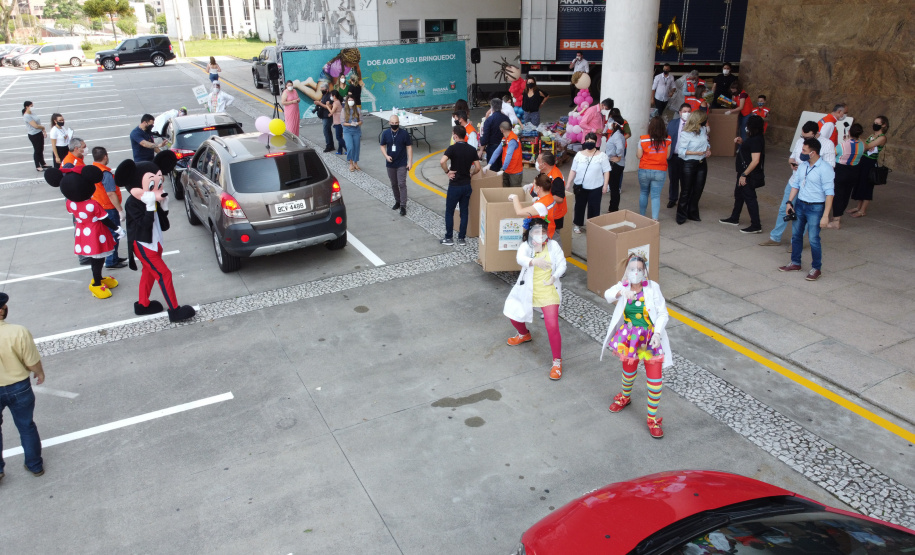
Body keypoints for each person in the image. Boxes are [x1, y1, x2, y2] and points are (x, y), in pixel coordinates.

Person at [601, 255, 672, 439]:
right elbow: (607, 294)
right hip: (629, 340)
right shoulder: (622, 286)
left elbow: (663, 313)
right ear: (626, 271)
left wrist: (657, 333)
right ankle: (625, 397)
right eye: (632, 269)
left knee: (655, 382)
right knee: (628, 372)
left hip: (651, 340)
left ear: (645, 271)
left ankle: (652, 419)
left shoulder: (653, 287)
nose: (636, 272)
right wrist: (620, 293)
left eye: (639, 269)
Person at [502, 217, 567, 380]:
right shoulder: (525, 247)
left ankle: (557, 362)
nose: (540, 235)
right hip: (527, 290)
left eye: (543, 231)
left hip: (548, 290)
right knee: (513, 313)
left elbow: (562, 263)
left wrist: (555, 276)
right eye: (537, 232)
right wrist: (533, 261)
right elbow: (520, 258)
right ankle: (523, 334)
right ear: (530, 233)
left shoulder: (554, 246)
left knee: (552, 326)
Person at [0, 292, 46, 479]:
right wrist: (40, 372)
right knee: (26, 426)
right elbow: (31, 362)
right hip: (19, 387)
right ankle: (35, 465)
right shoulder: (18, 331)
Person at [779, 138, 834, 282]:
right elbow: (796, 184)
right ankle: (795, 262)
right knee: (796, 235)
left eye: (804, 150)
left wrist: (825, 215)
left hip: (816, 207)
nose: (801, 153)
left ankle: (816, 268)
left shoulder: (825, 169)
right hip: (800, 205)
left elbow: (829, 193)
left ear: (813, 152)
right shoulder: (803, 166)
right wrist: (789, 202)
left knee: (814, 239)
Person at [759, 121, 817, 248]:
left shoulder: (824, 145)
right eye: (803, 136)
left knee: (802, 214)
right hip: (794, 181)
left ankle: (796, 242)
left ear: (815, 134)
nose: (803, 139)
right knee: (784, 209)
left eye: (806, 137)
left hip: (809, 186)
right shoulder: (799, 142)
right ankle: (775, 237)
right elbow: (792, 157)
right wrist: (792, 162)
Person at [720, 115, 766, 233]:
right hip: (743, 172)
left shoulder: (756, 140)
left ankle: (756, 225)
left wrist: (744, 175)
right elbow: (749, 150)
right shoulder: (754, 138)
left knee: (750, 198)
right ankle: (734, 218)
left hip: (747, 175)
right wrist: (742, 142)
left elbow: (755, 160)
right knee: (739, 195)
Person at [439, 125, 481, 245]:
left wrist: (447, 172)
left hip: (455, 185)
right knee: (464, 212)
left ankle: (448, 238)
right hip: (466, 185)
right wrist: (471, 174)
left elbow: (442, 161)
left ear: (455, 135)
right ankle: (461, 238)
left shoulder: (452, 148)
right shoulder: (472, 149)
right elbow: (478, 167)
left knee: (449, 211)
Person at [91, 147, 128, 269]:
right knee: (115, 233)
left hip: (99, 206)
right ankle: (112, 260)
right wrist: (120, 210)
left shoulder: (93, 169)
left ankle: (114, 257)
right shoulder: (105, 173)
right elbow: (111, 193)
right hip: (109, 208)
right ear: (105, 156)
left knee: (109, 233)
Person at [568, 132, 610, 233]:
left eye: (592, 141)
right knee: (579, 206)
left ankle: (593, 226)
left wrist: (605, 185)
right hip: (580, 187)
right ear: (584, 142)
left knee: (594, 207)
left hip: (596, 187)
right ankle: (577, 224)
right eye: (587, 141)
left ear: (596, 142)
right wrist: (568, 182)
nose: (589, 143)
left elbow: (606, 171)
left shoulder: (602, 156)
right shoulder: (579, 155)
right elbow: (573, 170)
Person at [849, 116, 889, 219]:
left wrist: (857, 137)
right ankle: (858, 207)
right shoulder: (872, 135)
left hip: (870, 163)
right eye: (874, 122)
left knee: (867, 185)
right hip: (863, 160)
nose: (874, 124)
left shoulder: (882, 137)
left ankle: (863, 210)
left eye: (877, 123)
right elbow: (865, 147)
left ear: (883, 125)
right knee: (860, 183)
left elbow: (866, 146)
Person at [675, 110, 711, 224]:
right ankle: (681, 214)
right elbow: (681, 151)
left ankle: (693, 212)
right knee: (686, 190)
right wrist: (696, 153)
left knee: (698, 189)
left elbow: (705, 142)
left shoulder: (703, 130)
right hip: (689, 164)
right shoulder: (686, 133)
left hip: (701, 163)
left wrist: (708, 149)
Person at [828, 123, 865, 229]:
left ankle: (836, 220)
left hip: (841, 170)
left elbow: (833, 154)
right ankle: (839, 214)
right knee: (846, 194)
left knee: (838, 194)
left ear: (849, 132)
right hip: (854, 171)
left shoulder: (842, 145)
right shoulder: (862, 145)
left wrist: (845, 141)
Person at [637, 117, 671, 220]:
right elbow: (667, 156)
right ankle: (654, 219)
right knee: (655, 196)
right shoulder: (668, 139)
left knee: (644, 192)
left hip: (644, 169)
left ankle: (642, 216)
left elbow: (639, 156)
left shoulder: (643, 139)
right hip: (660, 171)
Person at [379, 114, 412, 216]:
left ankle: (403, 205)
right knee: (394, 184)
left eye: (396, 123)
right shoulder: (385, 134)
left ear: (399, 123)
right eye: (392, 123)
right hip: (390, 163)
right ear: (389, 123)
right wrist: (386, 156)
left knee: (401, 183)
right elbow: (382, 146)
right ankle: (397, 201)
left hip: (402, 163)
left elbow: (409, 147)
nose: (394, 125)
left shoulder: (404, 134)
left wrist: (410, 162)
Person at [666, 103, 691, 208]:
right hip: (674, 156)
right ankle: (673, 198)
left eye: (689, 112)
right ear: (680, 112)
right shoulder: (673, 123)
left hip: (687, 157)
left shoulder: (694, 126)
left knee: (686, 179)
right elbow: (666, 138)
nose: (687, 114)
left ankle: (684, 200)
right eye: (685, 111)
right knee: (673, 179)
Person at [602, 114, 626, 213]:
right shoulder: (616, 134)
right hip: (614, 163)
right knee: (614, 187)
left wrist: (619, 157)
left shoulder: (617, 135)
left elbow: (620, 147)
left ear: (615, 124)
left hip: (615, 164)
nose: (609, 124)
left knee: (614, 188)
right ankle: (613, 207)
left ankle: (613, 208)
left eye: (611, 122)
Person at [487, 121, 523, 188]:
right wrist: (490, 164)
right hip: (507, 170)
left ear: (502, 130)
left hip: (514, 172)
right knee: (506, 192)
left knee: (514, 193)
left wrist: (503, 169)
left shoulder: (512, 140)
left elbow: (509, 155)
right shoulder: (505, 139)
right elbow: (497, 151)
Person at [480, 98, 510, 172]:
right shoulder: (506, 118)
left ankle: (495, 183)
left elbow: (485, 137)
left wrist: (481, 146)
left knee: (492, 169)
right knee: (502, 167)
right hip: (504, 146)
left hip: (492, 147)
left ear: (491, 107)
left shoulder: (489, 120)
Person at [23, 101, 48, 172]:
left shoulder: (32, 113)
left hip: (39, 133)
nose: (32, 107)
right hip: (34, 135)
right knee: (37, 150)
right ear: (26, 107)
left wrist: (43, 131)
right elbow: (35, 126)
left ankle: (43, 163)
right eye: (31, 106)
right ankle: (37, 165)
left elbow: (38, 123)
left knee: (41, 149)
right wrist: (43, 127)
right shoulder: (27, 116)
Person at [342, 96, 363, 173]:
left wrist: (357, 123)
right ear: (347, 101)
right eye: (349, 100)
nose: (351, 101)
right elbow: (342, 123)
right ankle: (350, 163)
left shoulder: (357, 110)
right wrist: (351, 124)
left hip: (356, 131)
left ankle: (355, 163)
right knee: (350, 147)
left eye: (352, 100)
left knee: (357, 147)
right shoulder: (343, 110)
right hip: (347, 131)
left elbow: (361, 121)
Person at [315, 81, 335, 152]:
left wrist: (319, 103)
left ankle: (329, 145)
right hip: (324, 115)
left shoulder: (330, 96)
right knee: (327, 131)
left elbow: (328, 107)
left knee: (326, 131)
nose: (321, 90)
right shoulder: (324, 96)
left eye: (322, 89)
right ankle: (331, 145)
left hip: (328, 116)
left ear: (326, 89)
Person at [330, 90, 345, 156]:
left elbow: (332, 112)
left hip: (338, 122)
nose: (330, 97)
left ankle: (347, 148)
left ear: (334, 96)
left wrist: (327, 106)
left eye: (331, 95)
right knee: (340, 137)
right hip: (339, 121)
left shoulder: (336, 103)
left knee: (338, 137)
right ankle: (339, 150)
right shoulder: (337, 102)